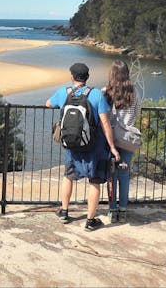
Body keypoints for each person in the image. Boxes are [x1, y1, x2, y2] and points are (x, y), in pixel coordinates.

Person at [47, 62, 120, 231]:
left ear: (72, 77)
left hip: (72, 145)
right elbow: (105, 122)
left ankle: (64, 211)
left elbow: (48, 103)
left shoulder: (64, 92)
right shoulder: (96, 94)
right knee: (94, 181)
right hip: (94, 145)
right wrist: (113, 147)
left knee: (69, 176)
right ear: (87, 77)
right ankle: (90, 220)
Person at [103, 60, 141, 223]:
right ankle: (123, 209)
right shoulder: (134, 93)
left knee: (111, 175)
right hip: (127, 138)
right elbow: (137, 112)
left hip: (110, 138)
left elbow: (102, 115)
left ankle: (112, 210)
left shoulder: (105, 92)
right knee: (124, 174)